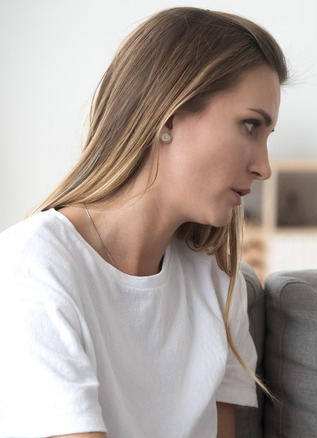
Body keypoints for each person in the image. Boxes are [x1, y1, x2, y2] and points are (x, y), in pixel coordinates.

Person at [0, 7, 287, 437]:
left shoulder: (216, 286)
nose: (264, 167)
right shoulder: (33, 267)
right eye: (249, 126)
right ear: (168, 115)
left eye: (266, 136)